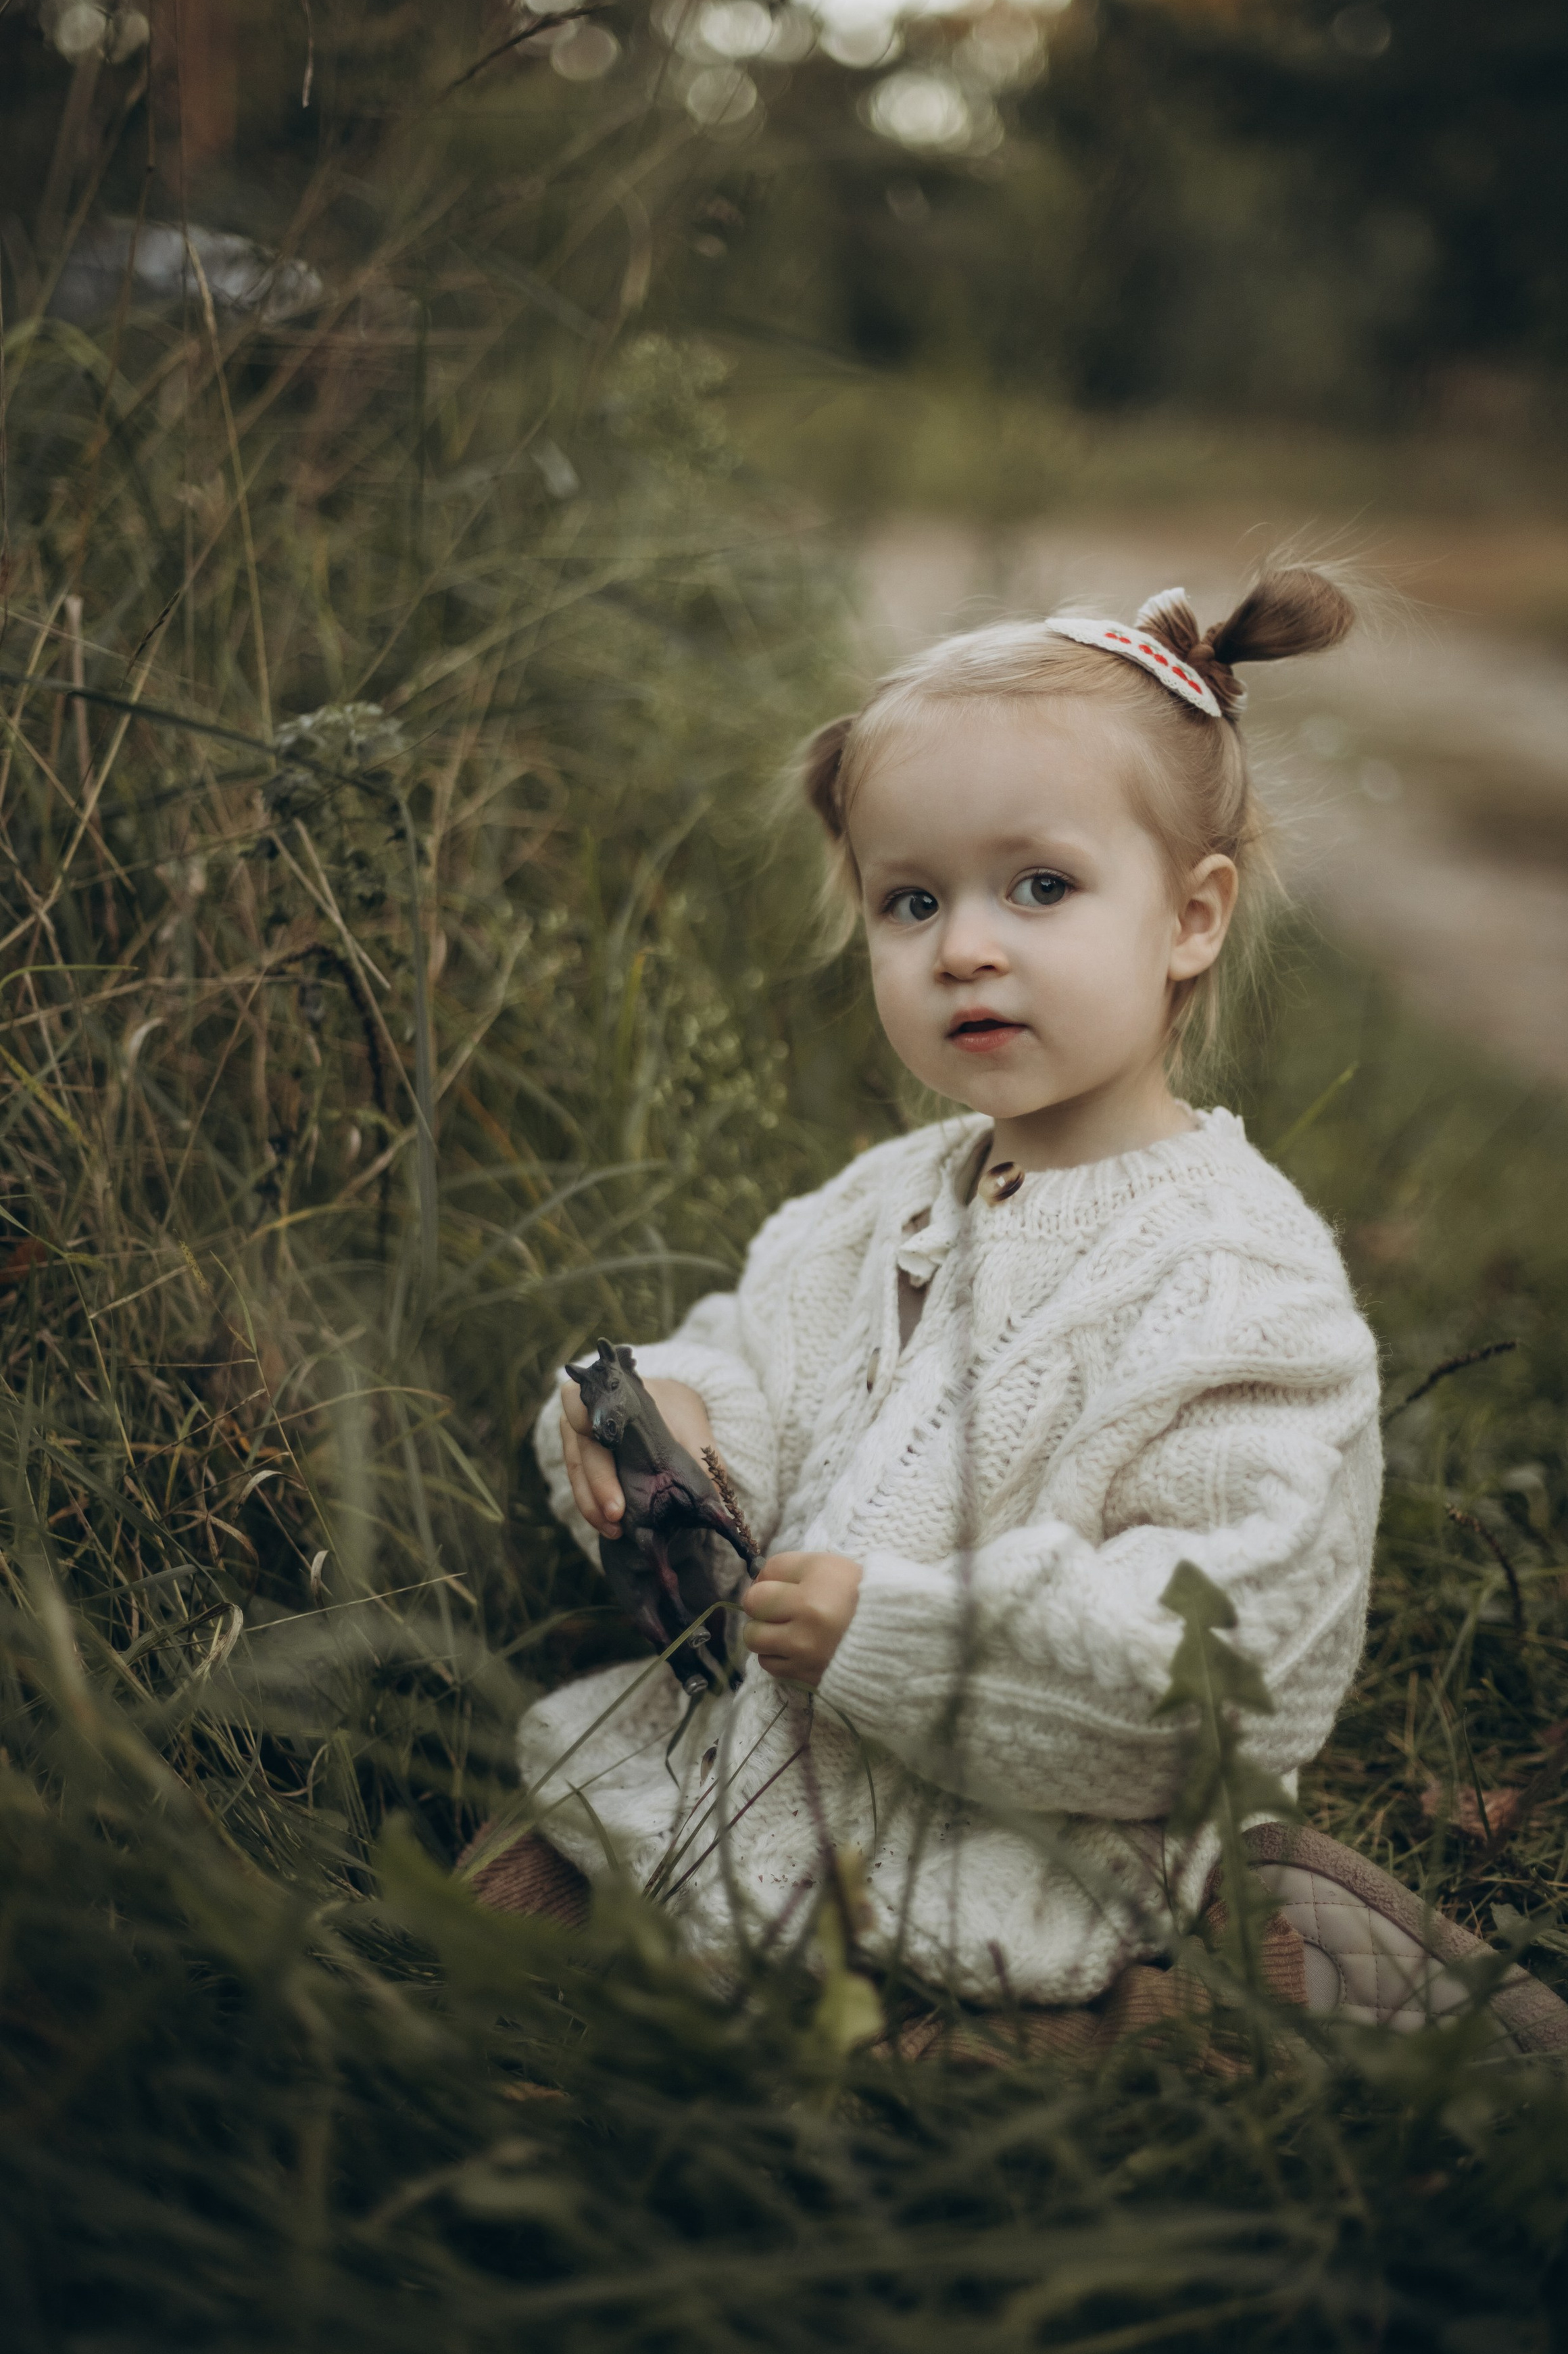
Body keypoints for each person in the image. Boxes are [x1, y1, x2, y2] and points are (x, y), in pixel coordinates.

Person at [516, 565, 1403, 2017]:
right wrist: (677, 1423)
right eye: (910, 901)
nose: (964, 947)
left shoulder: (1234, 1278)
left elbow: (1240, 1643)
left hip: (1017, 1862)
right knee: (498, 1905)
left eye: (1040, 887)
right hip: (751, 1793)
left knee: (961, 2052)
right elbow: (761, 1360)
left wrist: (901, 1638)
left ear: (1190, 918)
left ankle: (1274, 1972)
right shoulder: (879, 1202)